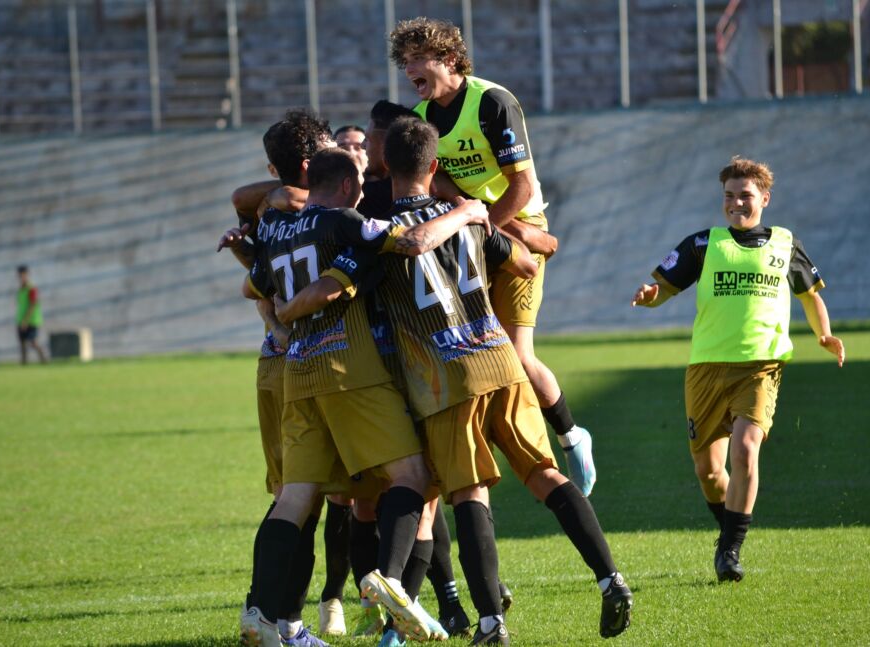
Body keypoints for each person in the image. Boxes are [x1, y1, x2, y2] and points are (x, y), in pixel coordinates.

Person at [284, 119, 634, 645]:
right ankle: (611, 579)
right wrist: (482, 219)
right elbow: (526, 267)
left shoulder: (382, 233)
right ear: (435, 167)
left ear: (385, 167)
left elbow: (350, 288)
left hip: (445, 378)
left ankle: (490, 621)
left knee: (469, 495)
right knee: (544, 475)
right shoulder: (466, 220)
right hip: (501, 360)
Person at [241, 145, 492, 647]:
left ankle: (261, 615)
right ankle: (390, 582)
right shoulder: (344, 222)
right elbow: (414, 241)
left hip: (297, 373)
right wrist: (467, 210)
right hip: (348, 370)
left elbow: (256, 290)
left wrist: (282, 321)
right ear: (349, 186)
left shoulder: (276, 230)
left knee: (294, 499)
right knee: (412, 475)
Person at [388, 17, 596, 498]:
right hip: (482, 230)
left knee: (517, 355)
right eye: (406, 61)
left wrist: (499, 227)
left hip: (508, 227)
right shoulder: (421, 115)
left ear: (450, 59)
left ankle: (569, 436)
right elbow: (437, 181)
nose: (411, 68)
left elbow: (520, 185)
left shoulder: (492, 102)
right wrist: (471, 218)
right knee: (475, 346)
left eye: (420, 57)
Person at [631, 156, 845, 582]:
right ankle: (728, 528)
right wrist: (650, 295)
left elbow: (810, 296)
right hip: (707, 368)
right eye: (729, 196)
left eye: (745, 196)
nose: (735, 204)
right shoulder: (703, 244)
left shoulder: (785, 243)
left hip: (760, 367)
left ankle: (729, 551)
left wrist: (825, 335)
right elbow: (664, 289)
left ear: (764, 198)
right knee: (709, 472)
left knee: (746, 449)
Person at [219, 109, 334, 647]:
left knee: (300, 495)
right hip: (308, 362)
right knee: (301, 495)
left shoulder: (273, 208)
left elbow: (245, 199)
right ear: (313, 162)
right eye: (338, 148)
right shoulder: (320, 209)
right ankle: (275, 615)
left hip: (281, 362)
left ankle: (276, 616)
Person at [16, 265, 47, 365]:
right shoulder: (20, 289)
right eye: (20, 275)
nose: (21, 277)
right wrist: (21, 320)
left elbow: (33, 304)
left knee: (33, 341)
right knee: (22, 343)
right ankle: (24, 364)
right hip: (20, 320)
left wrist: (26, 320)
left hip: (32, 320)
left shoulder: (32, 288)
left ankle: (44, 360)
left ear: (27, 275)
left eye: (23, 275)